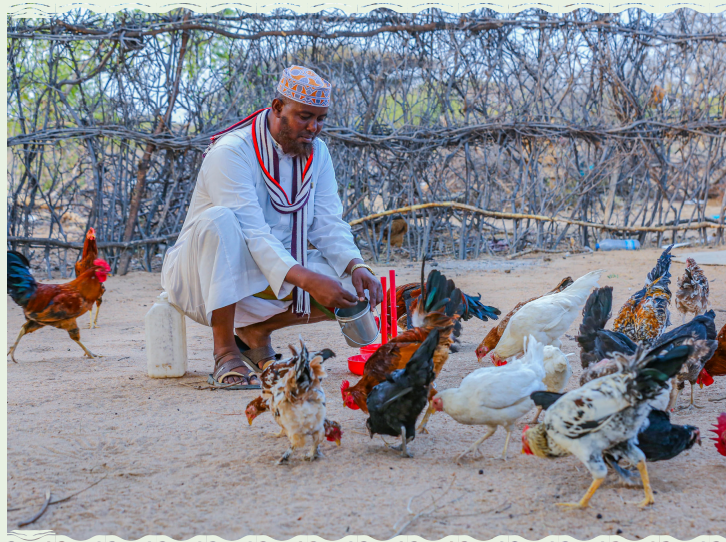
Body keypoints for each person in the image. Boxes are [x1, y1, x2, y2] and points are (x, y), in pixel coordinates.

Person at [161, 65, 382, 389]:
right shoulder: (231, 152)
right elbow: (253, 233)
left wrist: (356, 264)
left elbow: (328, 222)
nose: (314, 127)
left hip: (265, 275)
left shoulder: (317, 154)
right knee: (221, 220)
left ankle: (255, 334)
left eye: (320, 118)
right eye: (304, 116)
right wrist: (308, 280)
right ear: (278, 107)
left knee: (349, 282)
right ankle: (225, 352)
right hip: (202, 280)